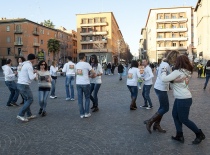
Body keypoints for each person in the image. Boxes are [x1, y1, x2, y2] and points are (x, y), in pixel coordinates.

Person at [161, 55, 205, 144]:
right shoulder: (187, 72)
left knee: (184, 119)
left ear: (178, 62)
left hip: (183, 99)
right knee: (175, 115)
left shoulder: (178, 72)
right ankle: (179, 135)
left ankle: (199, 134)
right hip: (183, 97)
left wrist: (163, 71)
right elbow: (176, 81)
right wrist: (173, 81)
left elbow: (164, 79)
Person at [144, 50, 180, 133]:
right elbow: (166, 77)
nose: (177, 60)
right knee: (165, 108)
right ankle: (150, 121)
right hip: (161, 88)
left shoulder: (165, 64)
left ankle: (156, 125)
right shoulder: (165, 65)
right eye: (177, 58)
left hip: (161, 87)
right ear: (173, 58)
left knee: (162, 107)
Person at [16, 54, 37, 122]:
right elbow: (31, 77)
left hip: (19, 83)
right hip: (24, 85)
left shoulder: (23, 64)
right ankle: (20, 114)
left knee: (26, 99)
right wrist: (36, 73)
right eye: (35, 59)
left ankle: (29, 114)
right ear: (33, 59)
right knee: (30, 99)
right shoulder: (29, 66)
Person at [75, 53, 95, 118]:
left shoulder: (76, 65)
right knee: (87, 98)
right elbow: (93, 72)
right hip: (86, 83)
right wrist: (91, 75)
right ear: (84, 57)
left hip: (78, 83)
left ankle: (81, 114)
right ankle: (86, 113)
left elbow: (76, 73)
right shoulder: (87, 64)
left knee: (80, 99)